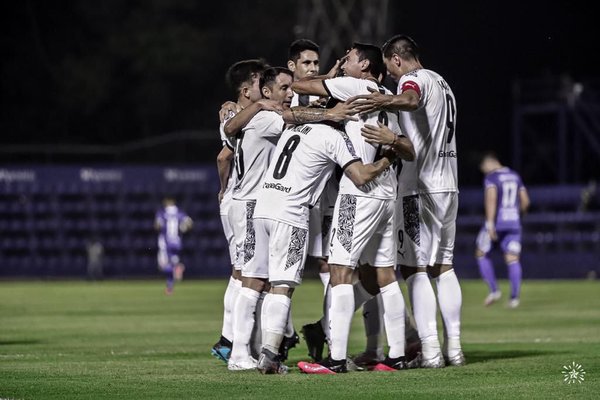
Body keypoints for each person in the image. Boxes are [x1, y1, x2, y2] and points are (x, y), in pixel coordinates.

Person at [251, 103, 402, 374]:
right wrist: (389, 158)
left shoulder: (294, 127)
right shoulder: (334, 137)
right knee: (283, 285)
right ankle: (270, 356)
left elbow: (290, 113)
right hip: (290, 212)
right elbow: (360, 176)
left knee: (267, 283)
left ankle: (265, 349)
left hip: (263, 207)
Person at [292, 42, 415, 374]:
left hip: (357, 193)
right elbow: (408, 150)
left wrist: (329, 76)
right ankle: (397, 357)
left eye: (348, 59)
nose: (343, 62)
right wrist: (389, 147)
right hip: (387, 193)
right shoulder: (387, 97)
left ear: (364, 66)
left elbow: (298, 84)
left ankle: (335, 361)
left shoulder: (356, 86)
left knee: (341, 271)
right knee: (386, 275)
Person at [349, 34, 465, 367]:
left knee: (415, 269)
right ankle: (454, 349)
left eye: (390, 68)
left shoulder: (412, 80)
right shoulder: (442, 82)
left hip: (421, 188)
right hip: (449, 184)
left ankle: (430, 352)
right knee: (444, 266)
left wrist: (381, 102)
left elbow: (411, 101)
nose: (393, 77)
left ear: (396, 60)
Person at [223, 67, 293, 371]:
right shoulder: (263, 118)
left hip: (248, 200)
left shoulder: (247, 114)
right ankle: (238, 352)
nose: (289, 95)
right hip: (250, 203)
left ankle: (245, 349)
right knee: (251, 280)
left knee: (250, 279)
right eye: (284, 89)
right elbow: (298, 124)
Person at [212, 59, 268, 363]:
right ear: (247, 89)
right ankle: (230, 341)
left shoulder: (234, 108)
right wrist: (224, 188)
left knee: (241, 271)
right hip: (240, 198)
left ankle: (233, 339)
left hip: (238, 198)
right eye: (261, 80)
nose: (267, 85)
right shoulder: (236, 115)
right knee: (244, 272)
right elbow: (224, 156)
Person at [476, 152, 530, 308]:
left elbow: (491, 199)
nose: (485, 171)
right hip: (513, 222)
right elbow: (525, 202)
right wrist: (518, 215)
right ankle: (514, 299)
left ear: (490, 163)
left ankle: (494, 290)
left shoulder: (492, 178)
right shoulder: (515, 175)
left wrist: (491, 223)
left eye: (484, 167)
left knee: (481, 252)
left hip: (497, 221)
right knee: (512, 258)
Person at [154, 197, 193, 295]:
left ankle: (177, 267)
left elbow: (157, 225)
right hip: (177, 242)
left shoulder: (162, 213)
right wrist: (183, 228)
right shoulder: (180, 213)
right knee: (171, 264)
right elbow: (190, 223)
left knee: (164, 266)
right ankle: (170, 287)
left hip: (165, 243)